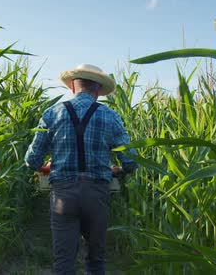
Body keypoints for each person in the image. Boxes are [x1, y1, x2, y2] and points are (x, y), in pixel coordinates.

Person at [25, 64, 138, 275]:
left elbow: (31, 160)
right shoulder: (110, 116)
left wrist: (45, 167)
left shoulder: (52, 113)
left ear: (73, 87)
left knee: (63, 262)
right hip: (96, 194)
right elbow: (130, 162)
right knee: (95, 261)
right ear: (97, 90)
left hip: (63, 195)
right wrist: (115, 169)